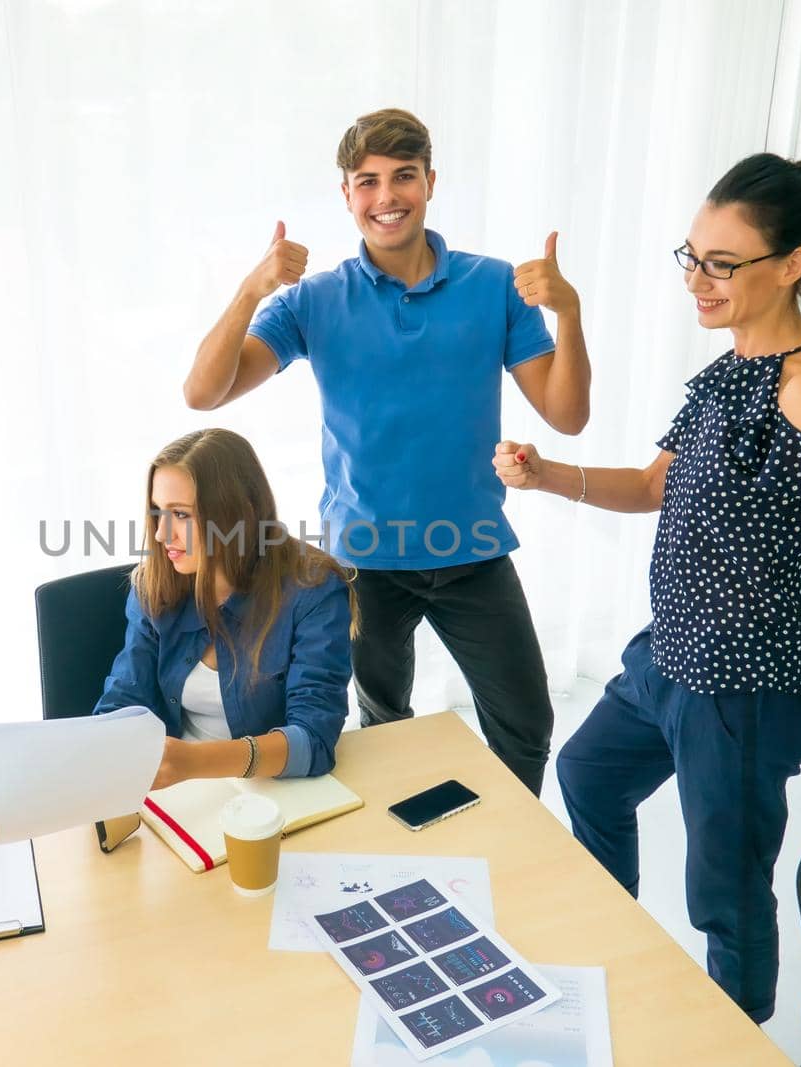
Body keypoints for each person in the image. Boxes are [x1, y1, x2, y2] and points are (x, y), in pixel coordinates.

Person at [494, 153, 801, 1021]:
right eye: (691, 256)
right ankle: (611, 957)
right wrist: (547, 475)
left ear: (792, 264)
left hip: (742, 689)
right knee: (588, 774)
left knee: (724, 893)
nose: (698, 279)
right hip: (670, 658)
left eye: (722, 263)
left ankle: (733, 1035)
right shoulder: (730, 371)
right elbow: (654, 488)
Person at [183, 108, 591, 795]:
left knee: (525, 723)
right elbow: (204, 393)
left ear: (430, 182)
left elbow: (568, 415)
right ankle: (404, 851)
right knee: (383, 724)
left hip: (472, 550)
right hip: (363, 560)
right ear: (347, 195)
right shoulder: (314, 300)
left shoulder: (493, 286)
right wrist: (253, 287)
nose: (386, 196)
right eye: (367, 181)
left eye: (403, 176)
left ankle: (511, 848)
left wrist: (569, 313)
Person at [94, 428, 357, 786]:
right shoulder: (153, 585)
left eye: (182, 515)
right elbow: (125, 701)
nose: (160, 534)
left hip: (273, 792)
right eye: (158, 512)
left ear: (240, 515)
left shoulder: (314, 590)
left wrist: (193, 763)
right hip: (174, 794)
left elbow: (314, 739)